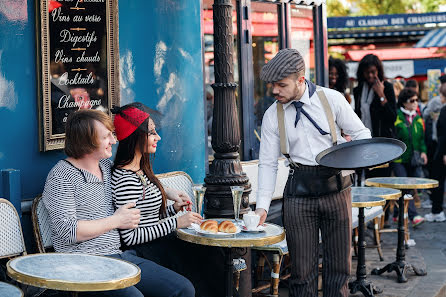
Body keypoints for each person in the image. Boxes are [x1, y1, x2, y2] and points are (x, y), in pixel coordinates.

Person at [254, 48, 371, 297]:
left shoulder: (332, 99)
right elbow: (267, 163)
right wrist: (262, 206)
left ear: (300, 79)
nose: (274, 91)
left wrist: (349, 161)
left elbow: (363, 135)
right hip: (298, 194)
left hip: (337, 190)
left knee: (339, 268)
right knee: (301, 272)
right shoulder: (272, 115)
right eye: (272, 85)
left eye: (281, 85)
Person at [42, 109, 195, 297]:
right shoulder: (61, 177)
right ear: (86, 141)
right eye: (106, 137)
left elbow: (134, 179)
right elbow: (69, 231)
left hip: (120, 257)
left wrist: (167, 192)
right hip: (82, 264)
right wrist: (116, 221)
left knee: (183, 289)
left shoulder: (106, 167)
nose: (114, 141)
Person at [111, 102, 225, 297]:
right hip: (143, 251)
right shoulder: (125, 179)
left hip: (158, 243)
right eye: (152, 133)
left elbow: (147, 216)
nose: (158, 137)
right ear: (135, 136)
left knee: (213, 255)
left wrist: (173, 209)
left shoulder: (141, 169)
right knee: (204, 265)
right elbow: (129, 237)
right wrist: (175, 222)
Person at [353, 54, 397, 180]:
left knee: (383, 181)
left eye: (373, 72)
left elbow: (392, 117)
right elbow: (357, 115)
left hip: (382, 144)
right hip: (364, 143)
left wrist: (381, 95)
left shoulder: (387, 87)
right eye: (367, 72)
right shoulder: (358, 90)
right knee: (368, 180)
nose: (370, 75)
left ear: (378, 71)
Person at [391, 88, 427, 227]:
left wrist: (423, 151)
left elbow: (422, 139)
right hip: (399, 159)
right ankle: (413, 216)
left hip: (413, 159)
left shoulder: (418, 118)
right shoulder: (397, 117)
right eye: (412, 100)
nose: (415, 103)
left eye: (417, 100)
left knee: (405, 187)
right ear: (404, 102)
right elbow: (394, 137)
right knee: (407, 186)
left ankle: (395, 214)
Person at [424, 97, 446, 222]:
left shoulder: (443, 110)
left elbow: (443, 134)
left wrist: (444, 153)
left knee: (438, 181)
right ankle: (436, 211)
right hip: (440, 150)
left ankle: (437, 211)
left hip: (441, 152)